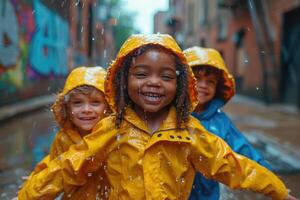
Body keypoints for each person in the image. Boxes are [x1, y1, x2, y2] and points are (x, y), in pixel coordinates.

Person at [18, 34, 296, 200]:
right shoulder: (110, 127)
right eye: (141, 74)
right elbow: (68, 166)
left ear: (181, 85)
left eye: (166, 76)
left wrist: (277, 190)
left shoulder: (188, 131)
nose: (154, 83)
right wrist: (29, 194)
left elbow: (232, 165)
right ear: (122, 81)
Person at [184, 46, 272, 200]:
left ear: (217, 88)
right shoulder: (172, 115)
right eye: (197, 78)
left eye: (210, 82)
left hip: (207, 194)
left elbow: (243, 150)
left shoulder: (221, 122)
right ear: (183, 80)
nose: (203, 85)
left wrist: (270, 178)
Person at [20, 66, 111, 199]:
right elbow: (52, 164)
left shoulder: (113, 137)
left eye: (95, 102)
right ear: (67, 108)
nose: (86, 109)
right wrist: (33, 180)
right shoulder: (63, 138)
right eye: (78, 103)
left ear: (108, 106)